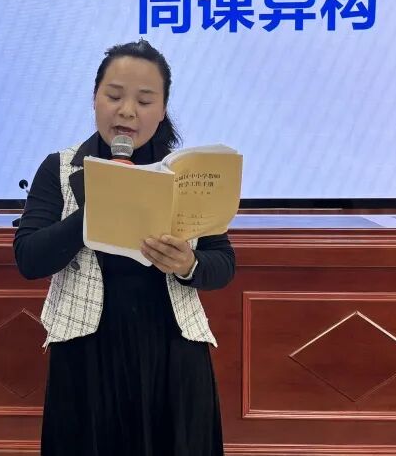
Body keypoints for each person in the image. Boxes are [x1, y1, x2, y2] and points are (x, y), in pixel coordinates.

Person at [14, 39, 236, 456]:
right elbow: (28, 258)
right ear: (95, 98)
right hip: (86, 353)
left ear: (163, 109)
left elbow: (222, 262)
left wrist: (188, 263)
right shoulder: (60, 167)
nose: (127, 111)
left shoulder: (187, 173)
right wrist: (97, 208)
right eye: (114, 96)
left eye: (145, 100)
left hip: (173, 352)